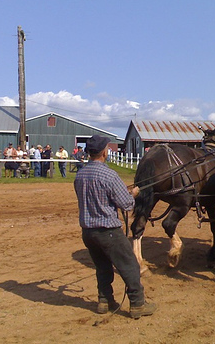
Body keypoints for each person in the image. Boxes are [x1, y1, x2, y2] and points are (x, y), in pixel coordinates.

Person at [74, 135, 156, 319]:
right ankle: (137, 304)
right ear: (104, 152)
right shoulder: (109, 175)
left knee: (102, 267)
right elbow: (127, 204)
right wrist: (133, 193)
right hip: (108, 231)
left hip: (88, 232)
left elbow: (95, 197)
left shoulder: (80, 174)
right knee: (131, 266)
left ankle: (104, 301)